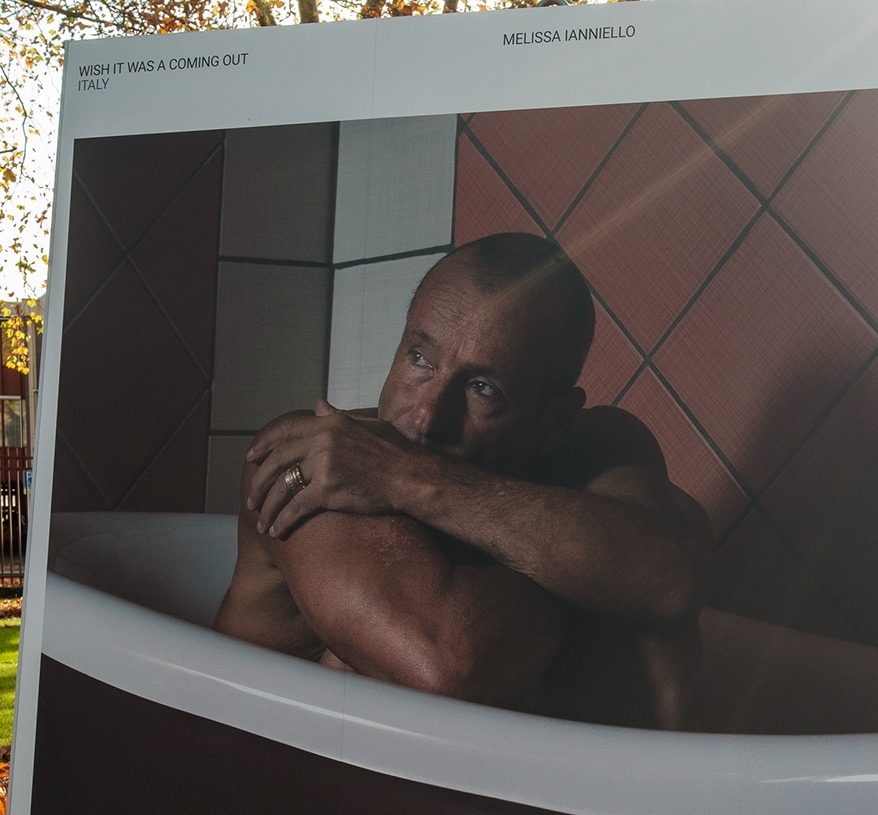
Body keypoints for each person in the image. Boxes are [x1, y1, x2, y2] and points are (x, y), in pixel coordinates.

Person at [214, 232, 713, 729]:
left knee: (656, 646)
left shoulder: (599, 444)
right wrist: (598, 569)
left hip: (431, 790)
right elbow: (451, 664)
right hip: (260, 777)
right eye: (420, 359)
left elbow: (675, 580)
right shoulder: (308, 459)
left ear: (554, 422)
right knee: (357, 670)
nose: (428, 416)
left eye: (482, 388)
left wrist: (405, 477)